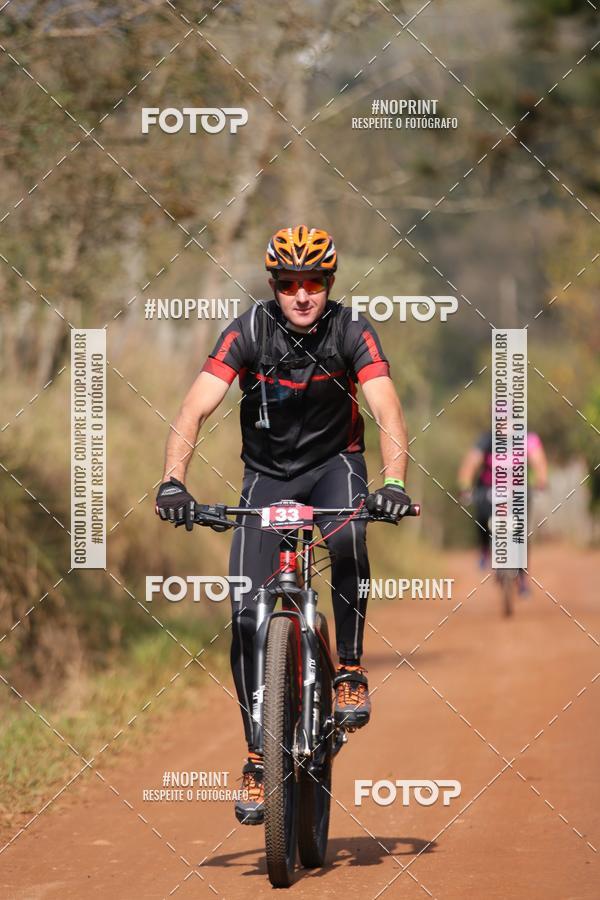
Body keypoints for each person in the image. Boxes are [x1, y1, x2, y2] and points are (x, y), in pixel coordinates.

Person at [155, 225, 412, 824]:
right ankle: (256, 755)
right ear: (274, 286)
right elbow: (194, 408)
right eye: (289, 284)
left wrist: (393, 482)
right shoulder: (248, 330)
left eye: (313, 284)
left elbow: (386, 408)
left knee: (348, 533)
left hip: (334, 468)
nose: (302, 296)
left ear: (329, 285)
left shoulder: (352, 330)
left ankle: (347, 669)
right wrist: (172, 481)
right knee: (247, 613)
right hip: (267, 477)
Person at [458, 430, 548, 578]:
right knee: (482, 513)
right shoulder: (486, 440)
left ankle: (522, 576)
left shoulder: (527, 439)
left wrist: (541, 482)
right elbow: (470, 464)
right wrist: (465, 487)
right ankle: (485, 549)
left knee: (521, 529)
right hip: (489, 488)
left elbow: (539, 462)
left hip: (518, 489)